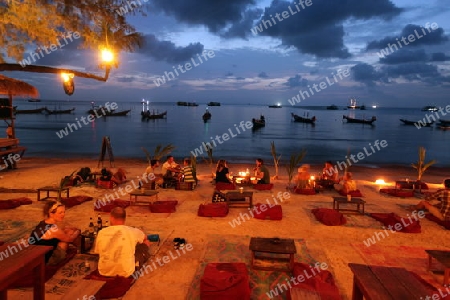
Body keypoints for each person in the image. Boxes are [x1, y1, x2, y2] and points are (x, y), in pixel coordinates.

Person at [94, 207, 151, 277]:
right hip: (126, 272)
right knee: (145, 244)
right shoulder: (131, 231)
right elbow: (145, 237)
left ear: (111, 217)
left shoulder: (101, 232)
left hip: (104, 271)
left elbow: (97, 252)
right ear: (124, 219)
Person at [30, 200, 80, 265]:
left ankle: (80, 247)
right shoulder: (54, 229)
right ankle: (81, 248)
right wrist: (78, 231)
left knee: (67, 229)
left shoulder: (43, 222)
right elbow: (70, 239)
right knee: (66, 240)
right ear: (51, 214)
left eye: (64, 212)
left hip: (36, 254)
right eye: (60, 213)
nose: (63, 215)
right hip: (45, 259)